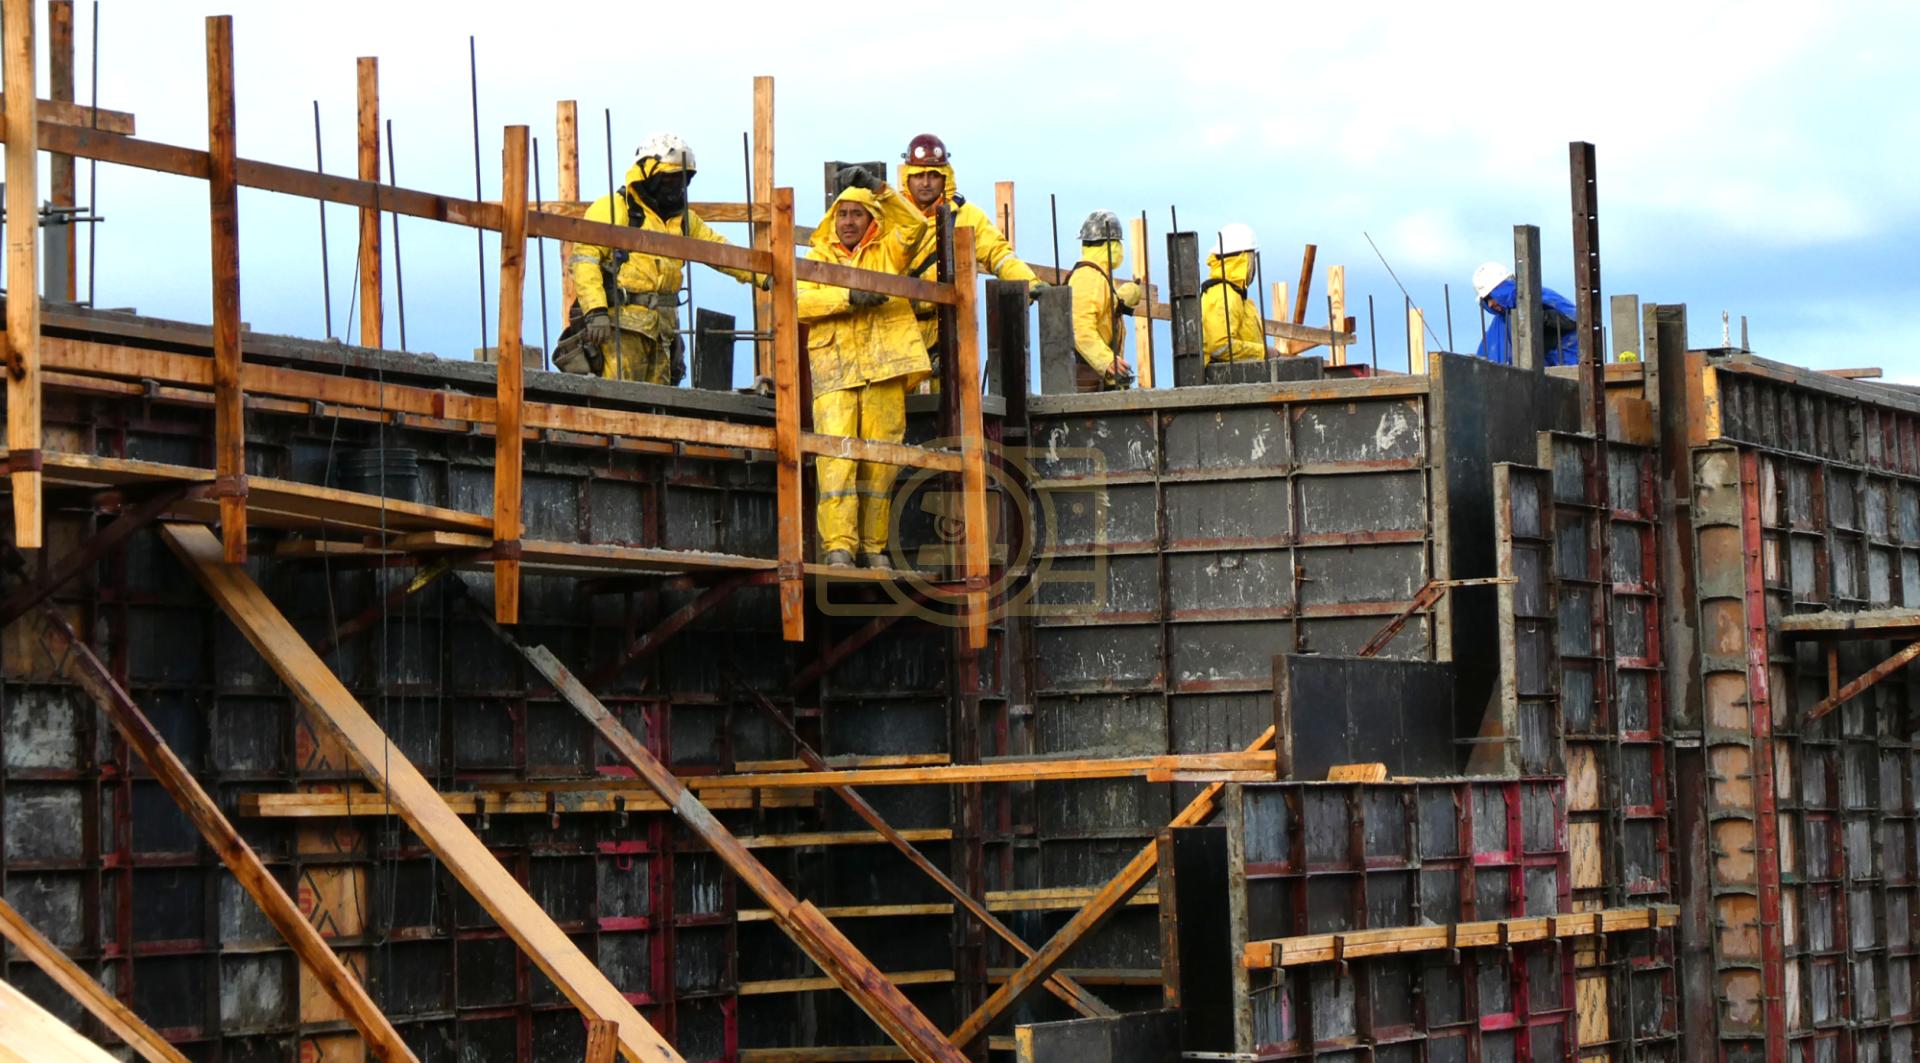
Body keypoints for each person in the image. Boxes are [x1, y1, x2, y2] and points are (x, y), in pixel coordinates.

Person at [796, 166, 931, 569]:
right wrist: (848, 297)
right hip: (835, 371)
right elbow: (799, 303)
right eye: (842, 214)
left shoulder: (888, 251)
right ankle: (839, 546)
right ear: (832, 219)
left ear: (872, 219)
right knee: (836, 459)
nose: (849, 222)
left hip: (885, 368)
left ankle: (873, 548)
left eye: (858, 214)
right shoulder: (817, 258)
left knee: (880, 461)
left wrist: (878, 188)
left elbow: (916, 225)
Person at [565, 133, 769, 384]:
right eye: (669, 178)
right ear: (647, 173)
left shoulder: (683, 220)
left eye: (681, 179)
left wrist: (764, 275)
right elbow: (585, 260)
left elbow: (720, 251)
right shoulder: (614, 208)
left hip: (663, 331)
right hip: (621, 327)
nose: (675, 186)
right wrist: (595, 311)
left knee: (656, 403)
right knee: (617, 398)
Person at [895, 134, 1043, 375]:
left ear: (946, 177)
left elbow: (999, 254)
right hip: (898, 331)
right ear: (907, 178)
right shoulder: (890, 217)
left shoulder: (967, 216)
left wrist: (1029, 283)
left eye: (933, 175)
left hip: (947, 331)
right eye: (919, 176)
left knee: (952, 393)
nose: (926, 183)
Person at [1067, 210, 1143, 390]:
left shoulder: (1098, 276)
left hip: (1098, 378)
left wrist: (1130, 292)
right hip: (1088, 380)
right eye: (1118, 243)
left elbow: (1106, 305)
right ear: (1111, 245)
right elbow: (1079, 328)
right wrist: (1107, 360)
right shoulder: (1088, 277)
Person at [1472, 261, 1580, 367]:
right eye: (1486, 300)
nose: (1490, 304)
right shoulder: (1500, 325)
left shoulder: (1540, 298)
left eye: (1491, 297)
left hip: (1563, 366)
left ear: (1503, 290)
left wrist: (1543, 317)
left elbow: (1574, 319)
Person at [1202, 223, 1272, 364]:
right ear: (1245, 259)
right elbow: (1219, 345)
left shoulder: (1236, 296)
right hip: (1229, 377)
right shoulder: (1225, 295)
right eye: (1252, 257)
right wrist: (1263, 352)